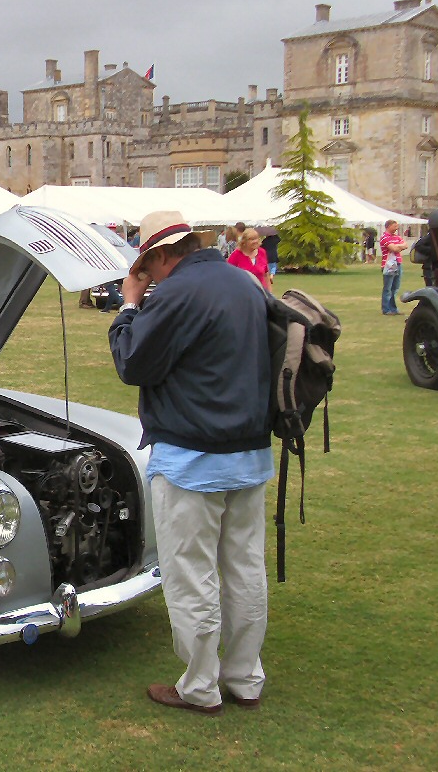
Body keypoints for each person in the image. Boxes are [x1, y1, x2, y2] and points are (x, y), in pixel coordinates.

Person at [110, 209, 273, 716]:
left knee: (191, 573)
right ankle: (245, 677)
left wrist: (129, 305)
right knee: (245, 567)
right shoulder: (245, 283)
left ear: (160, 256)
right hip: (249, 452)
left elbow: (132, 362)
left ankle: (201, 685)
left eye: (147, 267)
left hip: (192, 457)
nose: (147, 277)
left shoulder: (177, 293)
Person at [380, 219, 409, 315]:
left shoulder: (397, 237)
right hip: (389, 264)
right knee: (388, 288)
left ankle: (393, 309)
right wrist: (399, 246)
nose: (396, 228)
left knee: (395, 288)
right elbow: (393, 248)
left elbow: (405, 245)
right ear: (388, 226)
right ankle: (386, 309)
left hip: (398, 263)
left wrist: (397, 246)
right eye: (394, 226)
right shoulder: (384, 237)